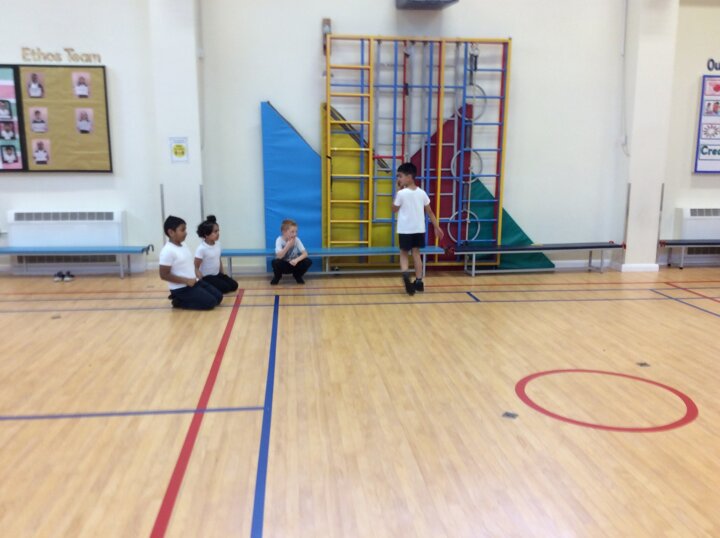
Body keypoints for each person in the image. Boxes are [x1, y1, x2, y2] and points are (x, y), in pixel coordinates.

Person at [392, 162, 443, 295]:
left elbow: (394, 209)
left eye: (400, 176)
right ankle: (419, 282)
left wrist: (397, 192)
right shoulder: (422, 193)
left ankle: (405, 275)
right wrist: (437, 227)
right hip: (419, 229)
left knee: (404, 253)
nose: (399, 179)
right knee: (416, 253)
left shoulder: (401, 194)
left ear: (409, 177)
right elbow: (430, 212)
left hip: (405, 229)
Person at [159, 215, 223, 310]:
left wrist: (196, 271)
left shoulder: (184, 245)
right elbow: (164, 275)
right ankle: (178, 300)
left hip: (194, 282)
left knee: (218, 297)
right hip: (181, 288)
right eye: (182, 230)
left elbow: (188, 263)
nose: (186, 233)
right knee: (211, 303)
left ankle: (186, 297)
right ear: (171, 232)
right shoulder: (167, 251)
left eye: (185, 229)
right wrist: (186, 281)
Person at [194, 215, 238, 294]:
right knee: (225, 288)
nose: (218, 233)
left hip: (217, 274)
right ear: (206, 234)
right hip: (207, 277)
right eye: (215, 232)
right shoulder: (201, 249)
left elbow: (218, 259)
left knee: (234, 285)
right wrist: (199, 277)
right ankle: (203, 286)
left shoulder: (218, 244)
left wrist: (222, 274)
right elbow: (195, 266)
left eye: (218, 231)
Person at [271, 219, 312, 285]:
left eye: (296, 232)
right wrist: (288, 246)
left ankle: (297, 275)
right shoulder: (279, 240)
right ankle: (277, 277)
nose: (295, 234)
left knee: (308, 261)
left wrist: (296, 260)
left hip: (294, 264)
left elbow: (305, 254)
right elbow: (279, 256)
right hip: (284, 265)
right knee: (275, 262)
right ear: (284, 232)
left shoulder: (297, 240)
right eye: (292, 232)